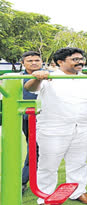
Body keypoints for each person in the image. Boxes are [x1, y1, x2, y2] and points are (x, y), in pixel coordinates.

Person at [24, 47, 87, 205]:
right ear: (60, 62)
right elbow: (30, 88)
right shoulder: (48, 76)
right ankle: (45, 197)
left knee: (79, 162)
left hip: (81, 128)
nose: (80, 62)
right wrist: (38, 78)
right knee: (48, 165)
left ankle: (78, 191)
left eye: (81, 59)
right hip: (53, 129)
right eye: (75, 59)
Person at [20, 51, 43, 195]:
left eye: (37, 60)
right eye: (30, 61)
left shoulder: (51, 76)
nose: (34, 63)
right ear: (23, 63)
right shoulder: (17, 78)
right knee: (34, 149)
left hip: (51, 118)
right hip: (29, 119)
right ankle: (23, 181)